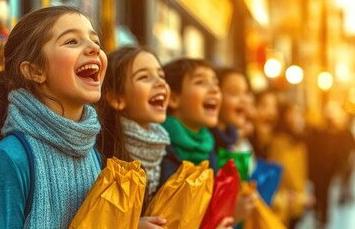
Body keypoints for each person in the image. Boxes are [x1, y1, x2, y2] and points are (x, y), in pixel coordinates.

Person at [0, 6, 108, 228]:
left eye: (95, 41)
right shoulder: (10, 157)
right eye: (71, 42)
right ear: (34, 71)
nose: (94, 48)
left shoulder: (92, 153)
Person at [97, 46, 170, 228]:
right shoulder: (102, 157)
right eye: (144, 77)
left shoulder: (168, 153)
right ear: (116, 98)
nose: (160, 83)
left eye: (161, 76)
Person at [160, 58, 234, 228]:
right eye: (201, 82)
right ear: (173, 98)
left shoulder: (209, 148)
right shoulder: (158, 147)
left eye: (216, 83)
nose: (215, 89)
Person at [209, 68, 257, 225]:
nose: (244, 100)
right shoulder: (207, 147)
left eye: (246, 92)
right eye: (234, 92)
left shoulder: (234, 144)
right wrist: (232, 215)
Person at [267, 101, 314, 229]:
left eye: (299, 113)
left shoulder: (300, 141)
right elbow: (278, 171)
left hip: (298, 201)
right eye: (294, 113)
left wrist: (303, 194)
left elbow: (302, 171)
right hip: (283, 202)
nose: (298, 117)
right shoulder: (278, 142)